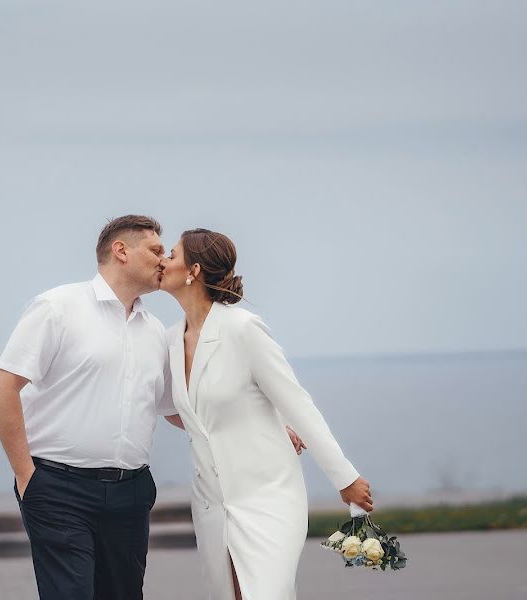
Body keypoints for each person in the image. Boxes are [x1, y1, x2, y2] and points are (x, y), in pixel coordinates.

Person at [158, 228, 374, 600]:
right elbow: (181, 412)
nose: (162, 260)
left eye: (172, 255)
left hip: (267, 496)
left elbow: (297, 404)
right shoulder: (170, 340)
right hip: (211, 504)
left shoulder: (244, 329)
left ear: (193, 270)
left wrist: (345, 478)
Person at [0, 215, 175, 599]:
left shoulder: (155, 330)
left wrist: (261, 425)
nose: (164, 261)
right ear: (121, 250)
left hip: (132, 494)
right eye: (156, 250)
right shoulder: (57, 307)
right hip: (59, 490)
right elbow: (2, 387)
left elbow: (175, 409)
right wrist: (28, 477)